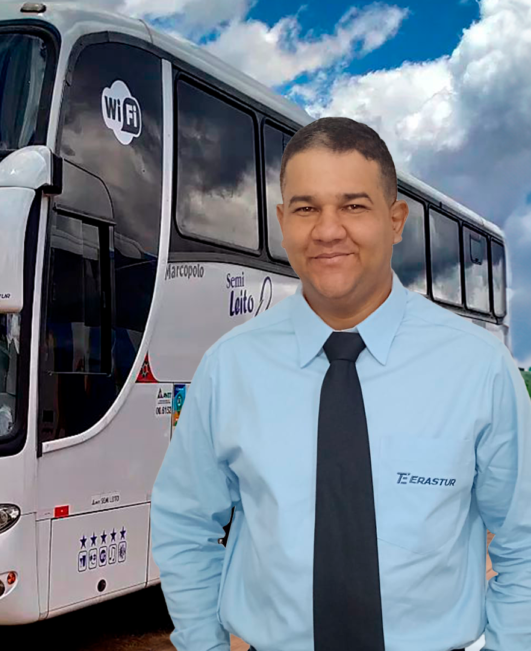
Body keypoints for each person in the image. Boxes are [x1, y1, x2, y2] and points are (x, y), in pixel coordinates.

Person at [150, 116, 530, 651]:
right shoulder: (229, 368)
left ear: (395, 220)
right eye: (306, 209)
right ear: (282, 222)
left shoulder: (478, 368)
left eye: (353, 206)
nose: (328, 230)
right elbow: (185, 523)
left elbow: (523, 541)